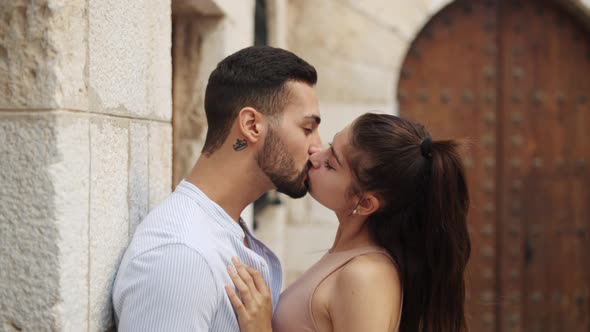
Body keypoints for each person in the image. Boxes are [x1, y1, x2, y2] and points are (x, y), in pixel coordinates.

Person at [111, 46, 322, 331]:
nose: (317, 148)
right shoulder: (182, 256)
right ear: (251, 125)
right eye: (307, 129)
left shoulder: (224, 235)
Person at [225, 113, 471, 332]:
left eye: (331, 163)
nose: (315, 155)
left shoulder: (365, 277)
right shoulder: (348, 259)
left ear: (365, 204)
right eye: (330, 145)